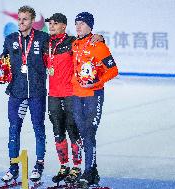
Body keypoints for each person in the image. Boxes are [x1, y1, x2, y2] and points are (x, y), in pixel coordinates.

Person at [43, 13, 104, 185]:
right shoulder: (45, 43)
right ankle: (64, 166)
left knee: (73, 131)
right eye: (50, 24)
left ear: (63, 26)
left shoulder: (72, 42)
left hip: (71, 94)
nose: (51, 26)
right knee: (57, 130)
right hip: (53, 94)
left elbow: (91, 44)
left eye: (55, 24)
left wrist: (101, 38)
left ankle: (77, 167)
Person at [0, 5, 49, 183]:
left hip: (36, 93)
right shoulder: (10, 39)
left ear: (32, 21)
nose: (21, 22)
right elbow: (2, 61)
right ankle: (13, 167)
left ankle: (39, 165)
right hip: (16, 93)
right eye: (19, 19)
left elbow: (62, 46)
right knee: (14, 129)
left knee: (38, 129)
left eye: (25, 19)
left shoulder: (43, 38)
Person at [71, 12, 118, 188]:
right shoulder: (74, 44)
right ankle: (93, 171)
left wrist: (98, 82)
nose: (78, 27)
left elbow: (113, 70)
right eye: (76, 23)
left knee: (89, 133)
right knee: (83, 134)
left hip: (93, 96)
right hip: (76, 95)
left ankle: (88, 172)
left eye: (82, 24)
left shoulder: (98, 46)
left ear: (90, 26)